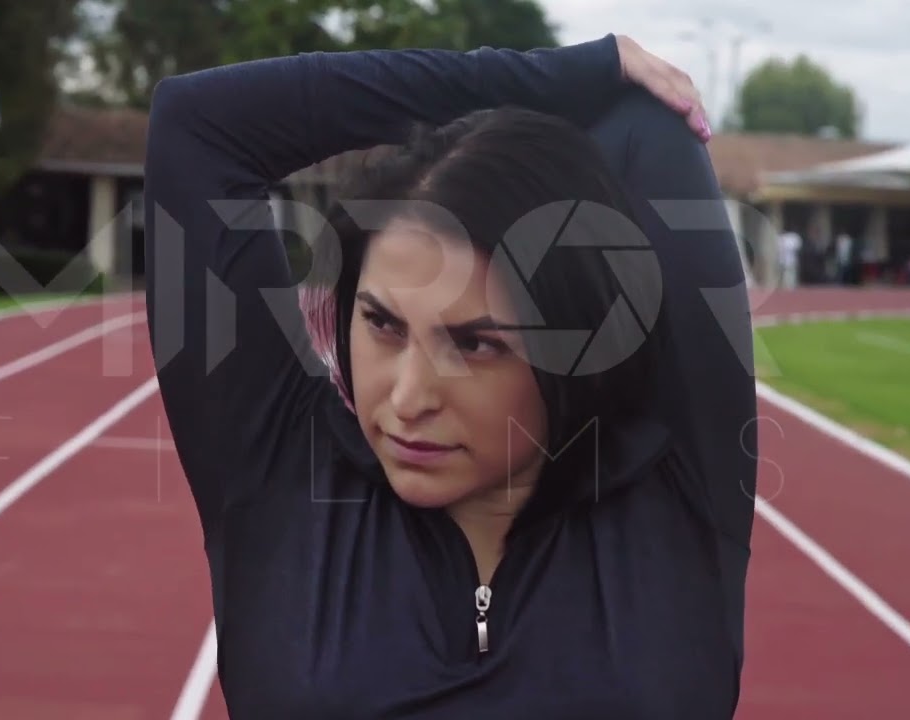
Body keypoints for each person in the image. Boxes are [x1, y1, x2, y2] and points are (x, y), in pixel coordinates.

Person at [143, 33, 757, 719]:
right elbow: (197, 123)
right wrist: (550, 75)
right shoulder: (279, 465)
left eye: (475, 345)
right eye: (382, 325)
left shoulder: (677, 481)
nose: (406, 400)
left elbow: (650, 119)